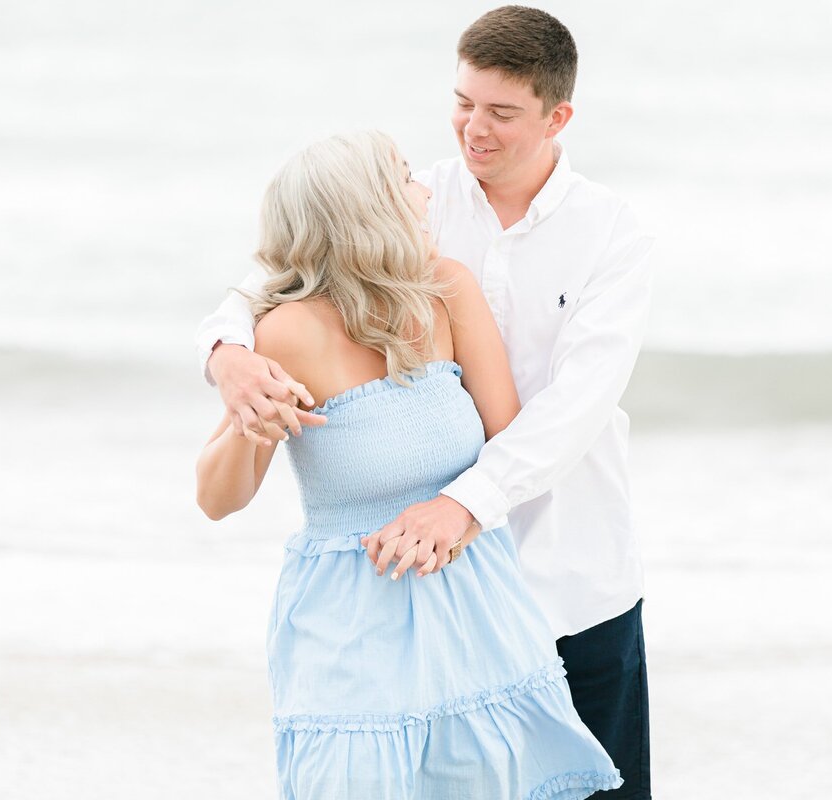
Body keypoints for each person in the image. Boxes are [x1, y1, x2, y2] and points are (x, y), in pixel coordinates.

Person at [197, 8, 653, 798]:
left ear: (557, 117)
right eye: (463, 102)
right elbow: (274, 275)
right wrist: (226, 355)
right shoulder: (415, 202)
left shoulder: (612, 233)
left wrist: (463, 506)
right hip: (403, 603)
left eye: (501, 113)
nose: (473, 129)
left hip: (570, 566)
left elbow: (571, 412)